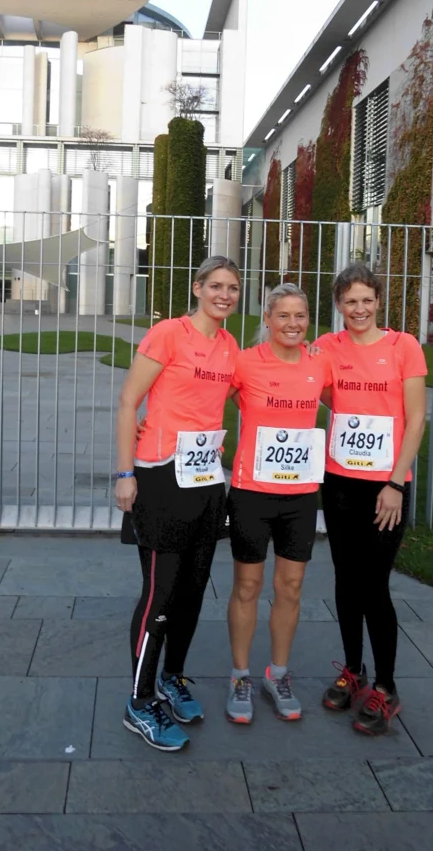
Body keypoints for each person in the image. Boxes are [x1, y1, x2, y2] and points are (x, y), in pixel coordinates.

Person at [114, 255, 241, 752]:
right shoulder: (168, 333)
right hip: (160, 477)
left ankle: (172, 678)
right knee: (160, 595)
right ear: (197, 288)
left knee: (191, 592)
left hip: (206, 480)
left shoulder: (230, 346)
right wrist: (126, 472)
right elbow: (129, 401)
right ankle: (140, 702)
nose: (224, 295)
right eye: (215, 285)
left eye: (232, 287)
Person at [314, 263, 427, 736]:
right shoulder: (325, 348)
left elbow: (416, 419)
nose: (359, 309)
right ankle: (353, 670)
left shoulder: (404, 347)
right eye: (350, 301)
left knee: (374, 584)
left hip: (387, 487)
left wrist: (396, 483)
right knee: (345, 579)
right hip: (339, 482)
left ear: (379, 301)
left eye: (367, 300)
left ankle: (385, 685)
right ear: (338, 305)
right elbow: (300, 390)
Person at [225, 283, 332, 724]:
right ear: (267, 319)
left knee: (289, 587)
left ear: (309, 321)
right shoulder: (246, 362)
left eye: (300, 316)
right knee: (248, 586)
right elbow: (203, 401)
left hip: (301, 496)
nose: (292, 324)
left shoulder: (319, 366)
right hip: (252, 493)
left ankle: (279, 674)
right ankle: (240, 676)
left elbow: (359, 405)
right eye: (283, 315)